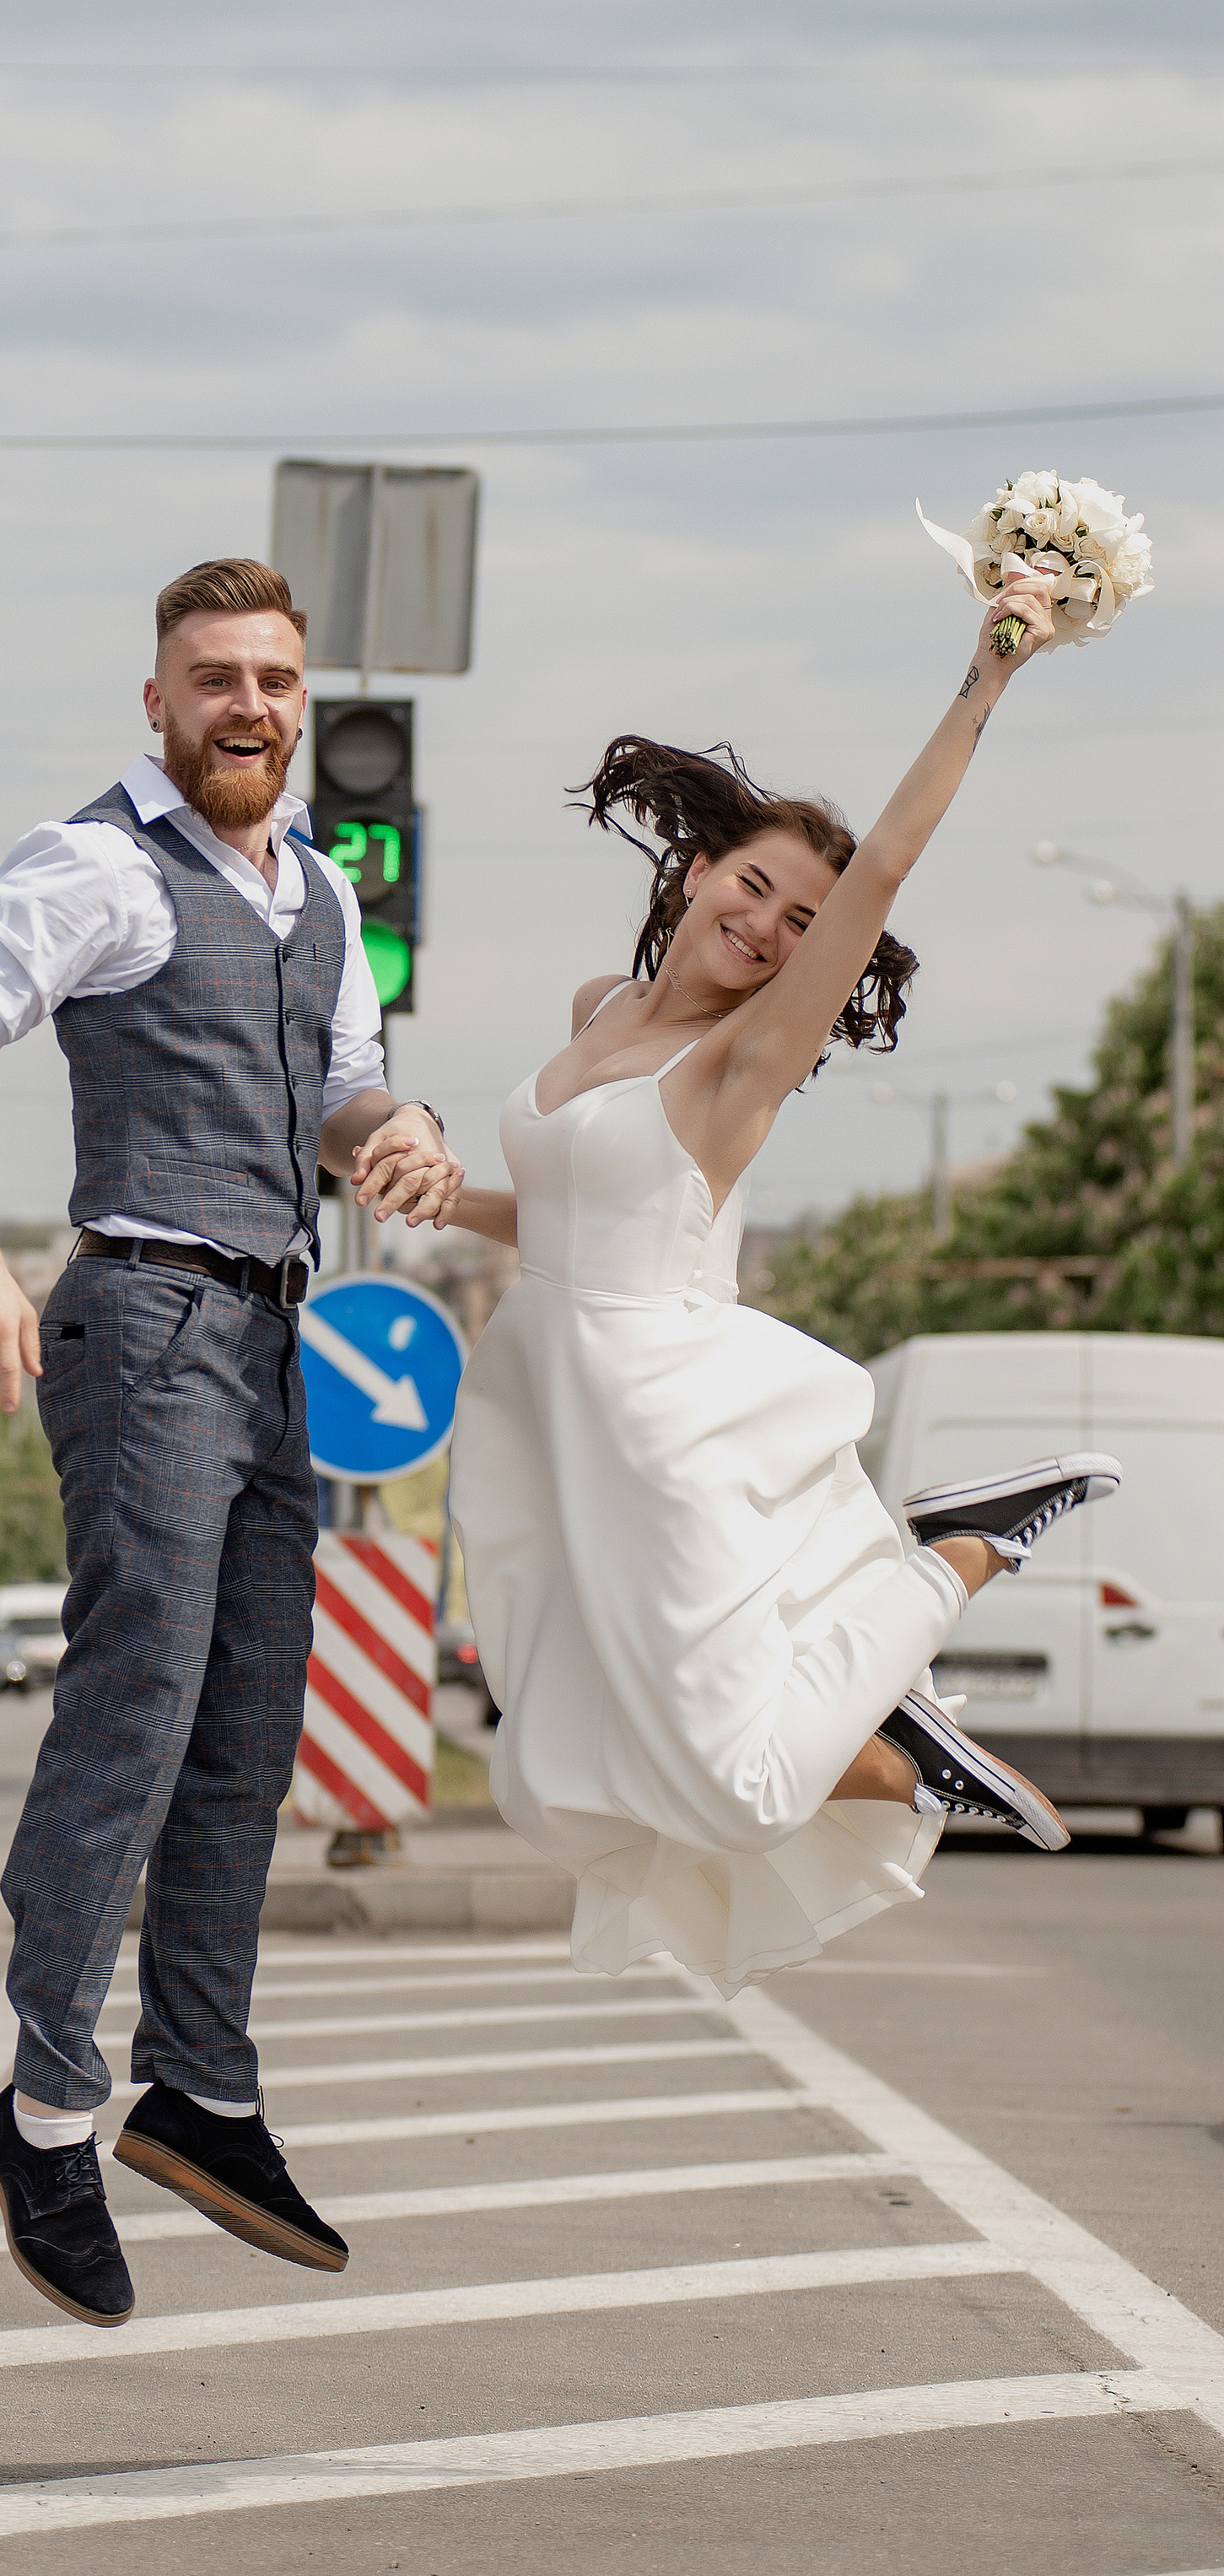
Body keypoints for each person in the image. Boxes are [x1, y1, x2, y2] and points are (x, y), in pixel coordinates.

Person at [0, 558, 463, 2323]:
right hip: (138, 1313)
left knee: (248, 1718)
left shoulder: (318, 897)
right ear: (155, 701)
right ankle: (47, 2110)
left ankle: (199, 2093)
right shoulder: (94, 866)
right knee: (133, 1706)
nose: (249, 707)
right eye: (212, 678)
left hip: (271, 1322)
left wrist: (400, 1129)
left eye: (274, 679)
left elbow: (342, 1087)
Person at [444, 577, 1120, 1994]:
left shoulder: (739, 1068)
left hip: (663, 1423)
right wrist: (447, 1192)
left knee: (739, 1787)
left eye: (800, 918)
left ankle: (956, 1556)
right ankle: (900, 1746)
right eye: (753, 883)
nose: (766, 923)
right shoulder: (598, 1011)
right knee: (577, 1756)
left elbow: (883, 872)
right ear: (697, 872)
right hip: (551, 1408)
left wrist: (987, 675)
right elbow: (572, 1202)